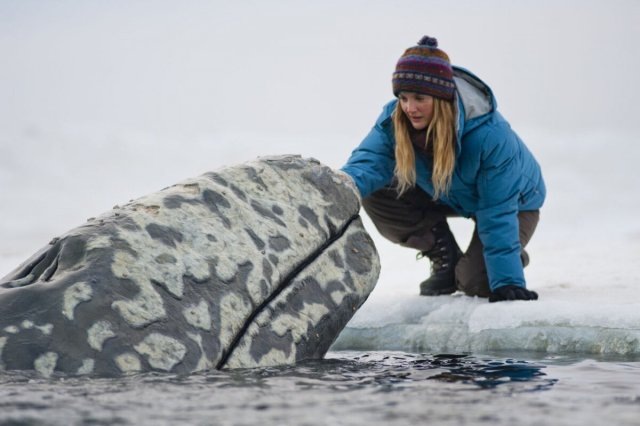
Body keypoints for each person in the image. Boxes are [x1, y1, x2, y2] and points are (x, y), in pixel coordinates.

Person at [341, 36, 545, 302]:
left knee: (475, 282)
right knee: (376, 189)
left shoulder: (490, 136)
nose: (409, 108)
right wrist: (336, 192)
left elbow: (498, 211)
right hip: (450, 191)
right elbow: (368, 163)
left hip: (514, 203)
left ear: (441, 98)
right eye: (402, 97)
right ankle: (444, 255)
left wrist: (507, 280)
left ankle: (505, 258)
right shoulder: (395, 119)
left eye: (419, 98)